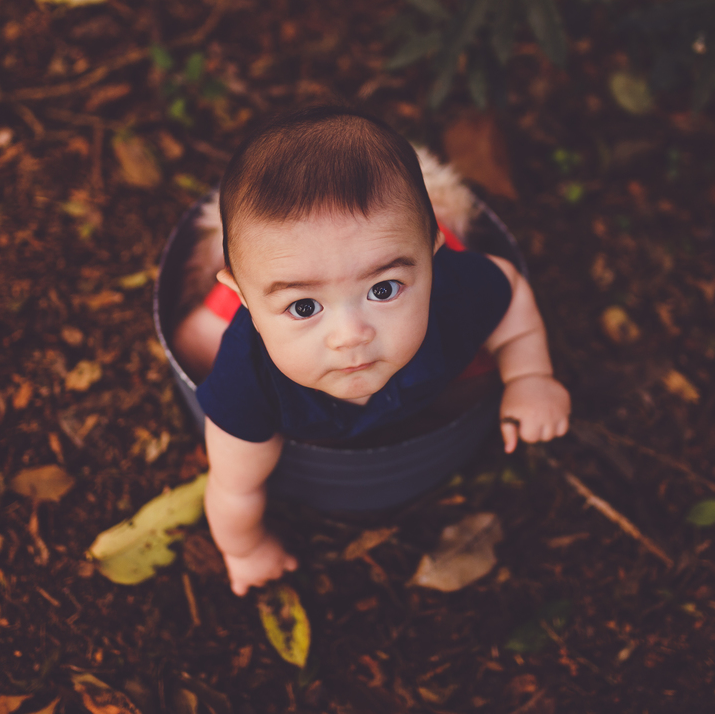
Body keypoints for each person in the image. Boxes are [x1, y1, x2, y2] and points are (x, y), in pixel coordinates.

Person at [174, 106, 571, 596]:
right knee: (199, 342)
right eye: (304, 306)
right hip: (251, 320)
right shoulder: (247, 382)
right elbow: (234, 488)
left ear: (430, 255)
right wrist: (245, 549)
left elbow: (509, 292)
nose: (351, 334)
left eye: (383, 291)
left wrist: (530, 377)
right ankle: (223, 307)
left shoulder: (452, 294)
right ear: (247, 297)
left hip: (394, 262)